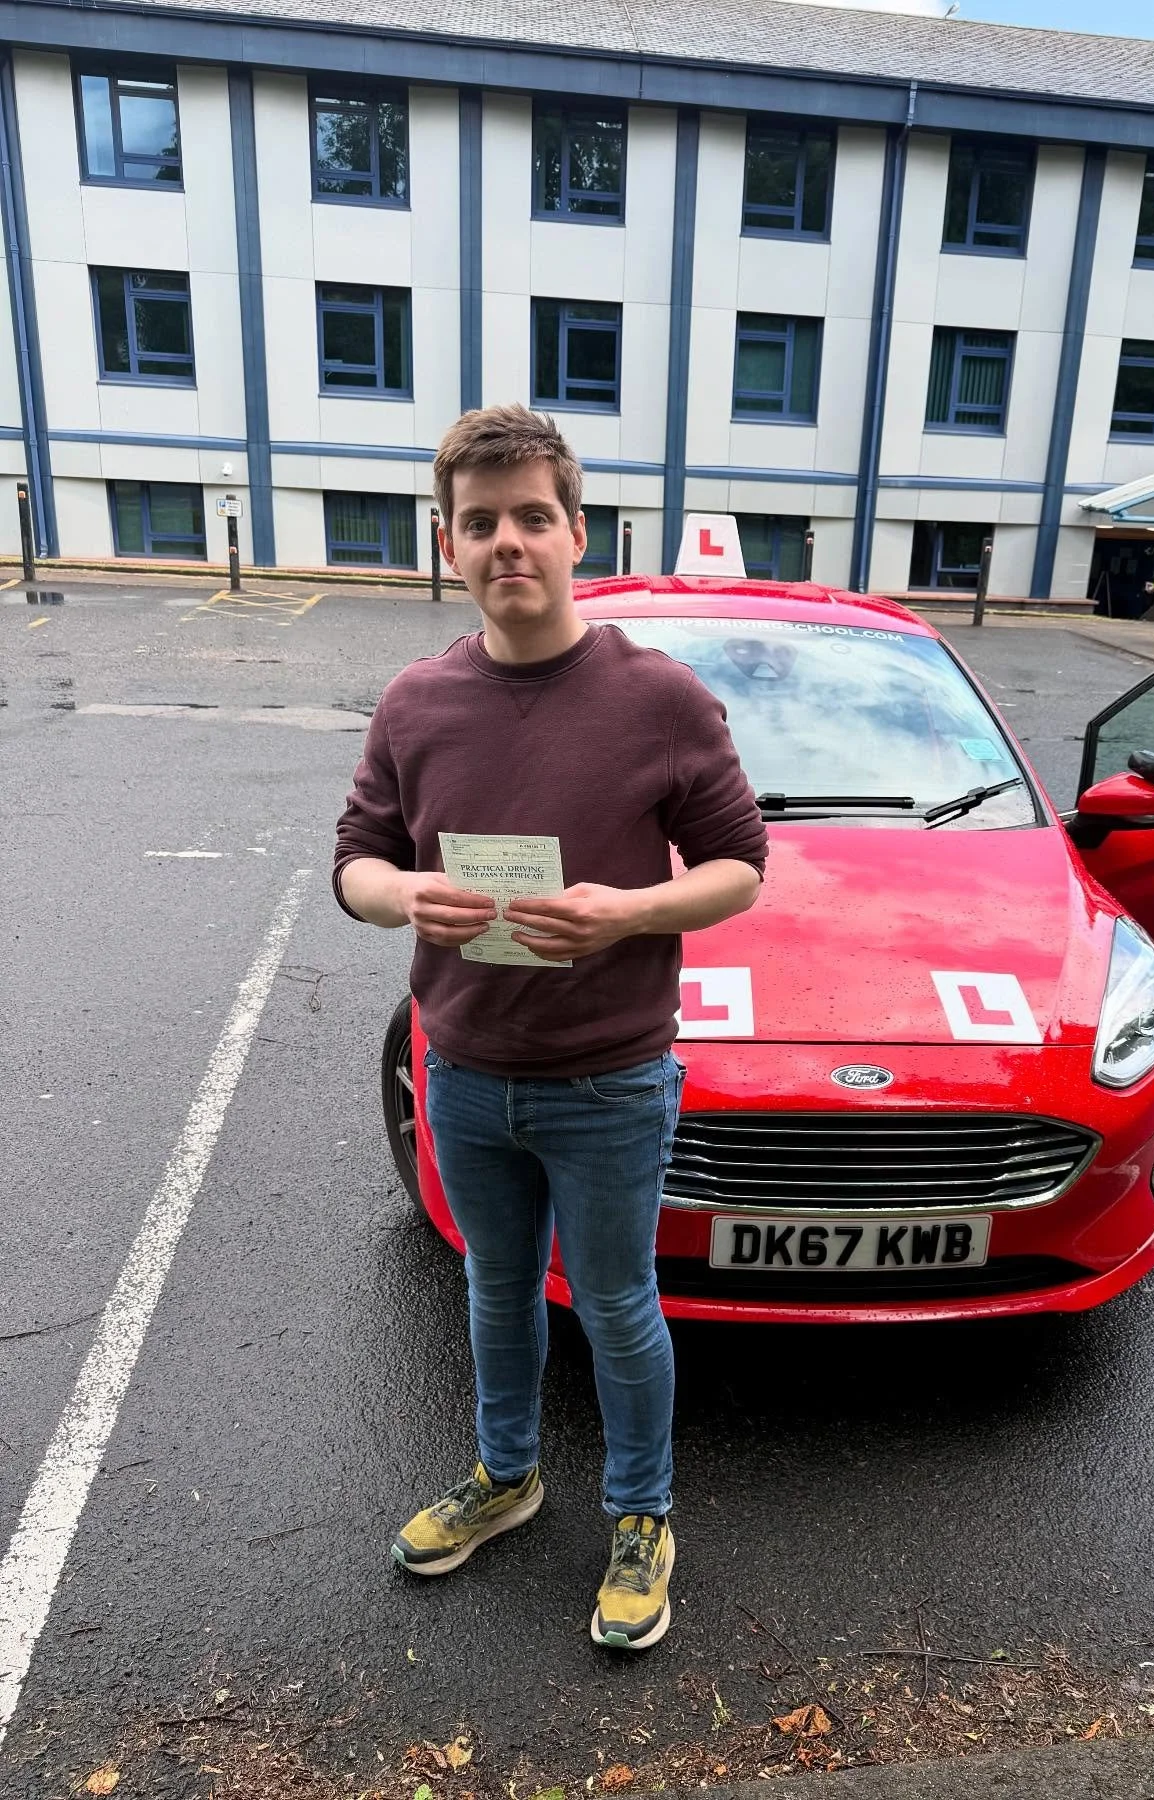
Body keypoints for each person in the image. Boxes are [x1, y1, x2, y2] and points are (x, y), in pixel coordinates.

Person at [332, 405, 767, 1651]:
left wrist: (630, 911)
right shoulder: (417, 705)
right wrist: (402, 893)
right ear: (448, 545)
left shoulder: (659, 697)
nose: (507, 542)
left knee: (621, 1305)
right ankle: (508, 1478)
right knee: (496, 1288)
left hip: (611, 1078)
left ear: (578, 534)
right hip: (464, 1068)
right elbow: (356, 860)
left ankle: (643, 1516)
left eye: (532, 518)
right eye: (481, 524)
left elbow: (740, 867)